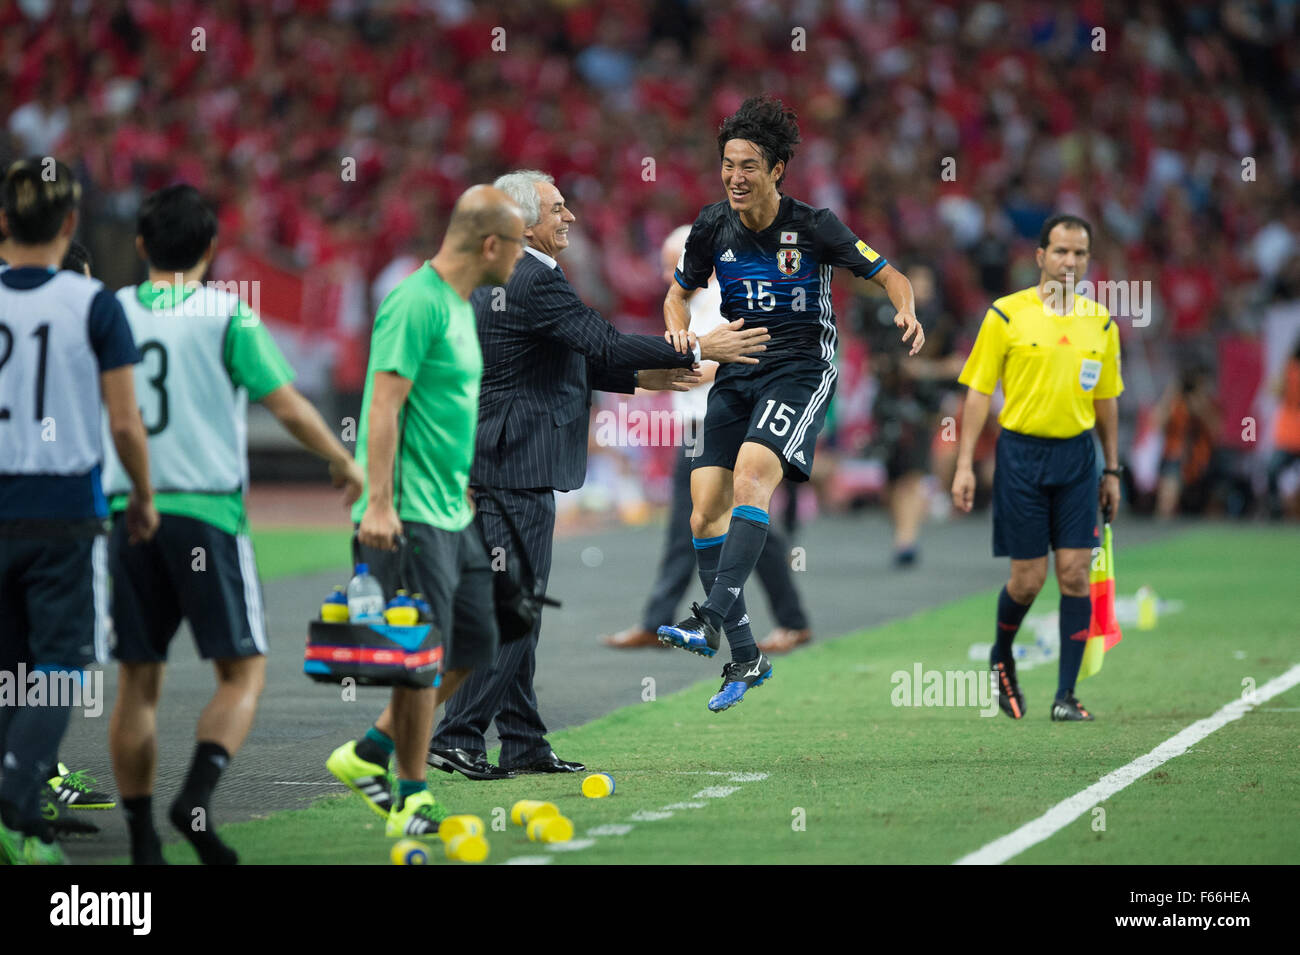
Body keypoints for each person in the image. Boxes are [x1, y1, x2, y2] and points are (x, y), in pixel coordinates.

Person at [428, 170, 768, 780]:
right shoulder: (530, 274)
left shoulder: (505, 271)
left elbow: (560, 358)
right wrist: (696, 349)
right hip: (515, 464)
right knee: (516, 608)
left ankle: (524, 741)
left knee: (517, 604)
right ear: (524, 221)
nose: (571, 217)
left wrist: (643, 378)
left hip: (501, 459)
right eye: (559, 208)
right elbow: (600, 342)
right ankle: (457, 734)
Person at [103, 184, 365, 864]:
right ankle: (194, 798)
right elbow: (288, 407)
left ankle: (139, 843)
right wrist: (343, 459)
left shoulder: (111, 312)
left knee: (137, 680)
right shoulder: (228, 314)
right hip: (205, 512)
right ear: (213, 249)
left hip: (125, 511)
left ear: (140, 246)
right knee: (241, 670)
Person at [657, 96, 923, 712]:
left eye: (748, 165)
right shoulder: (709, 226)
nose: (734, 177)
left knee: (752, 477)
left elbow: (889, 274)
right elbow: (677, 295)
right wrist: (681, 335)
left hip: (800, 371)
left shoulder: (815, 225)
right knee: (703, 515)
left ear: (777, 171)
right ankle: (747, 657)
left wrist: (904, 306)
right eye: (727, 164)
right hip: (736, 371)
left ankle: (710, 619)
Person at [327, 185, 527, 836]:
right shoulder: (415, 302)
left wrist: (457, 479)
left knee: (475, 641)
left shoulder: (459, 306)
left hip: (448, 508)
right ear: (490, 244)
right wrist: (378, 503)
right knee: (419, 656)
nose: (521, 257)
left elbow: (436, 410)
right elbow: (383, 405)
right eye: (519, 244)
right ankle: (411, 797)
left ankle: (368, 754)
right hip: (407, 514)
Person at [0, 158, 159, 865]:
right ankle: (17, 799)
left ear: (3, 222)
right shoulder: (93, 304)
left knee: (8, 666)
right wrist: (144, 497)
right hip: (64, 507)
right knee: (61, 666)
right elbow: (126, 424)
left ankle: (21, 813)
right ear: (70, 224)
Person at [603, 225, 812, 653]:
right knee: (724, 524)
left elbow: (741, 356)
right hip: (702, 427)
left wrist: (664, 375)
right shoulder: (693, 304)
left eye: (671, 265)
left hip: (722, 426)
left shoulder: (724, 300)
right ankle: (789, 619)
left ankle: (659, 621)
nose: (666, 276)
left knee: (704, 522)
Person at [951, 213, 1123, 722]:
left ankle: (1065, 696)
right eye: (1062, 251)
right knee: (1028, 580)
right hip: (1020, 455)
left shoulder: (1103, 323)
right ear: (1040, 256)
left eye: (1080, 253)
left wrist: (1111, 469)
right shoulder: (1005, 316)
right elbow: (979, 392)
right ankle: (1001, 654)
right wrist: (964, 465)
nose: (1070, 261)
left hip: (1077, 458)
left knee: (1074, 574)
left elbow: (1108, 401)